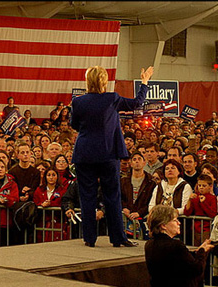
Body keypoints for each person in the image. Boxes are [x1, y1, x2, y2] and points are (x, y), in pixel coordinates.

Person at [71, 65, 153, 247]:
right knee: (112, 196)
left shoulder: (78, 101)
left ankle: (89, 238)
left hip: (84, 153)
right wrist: (144, 82)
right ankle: (118, 238)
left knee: (87, 196)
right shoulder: (112, 98)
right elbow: (136, 103)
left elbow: (74, 125)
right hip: (108, 154)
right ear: (104, 81)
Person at [145, 205, 214, 287]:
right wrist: (202, 252)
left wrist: (197, 251)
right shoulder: (175, 245)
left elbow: (178, 259)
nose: (179, 223)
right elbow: (196, 269)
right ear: (163, 225)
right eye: (175, 220)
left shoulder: (149, 244)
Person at [184, 174, 217, 246]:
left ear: (210, 186)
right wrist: (189, 200)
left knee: (204, 249)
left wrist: (203, 203)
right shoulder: (195, 196)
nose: (201, 188)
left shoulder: (212, 198)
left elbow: (212, 214)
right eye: (199, 185)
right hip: (195, 228)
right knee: (195, 247)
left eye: (204, 186)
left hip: (206, 229)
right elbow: (187, 212)